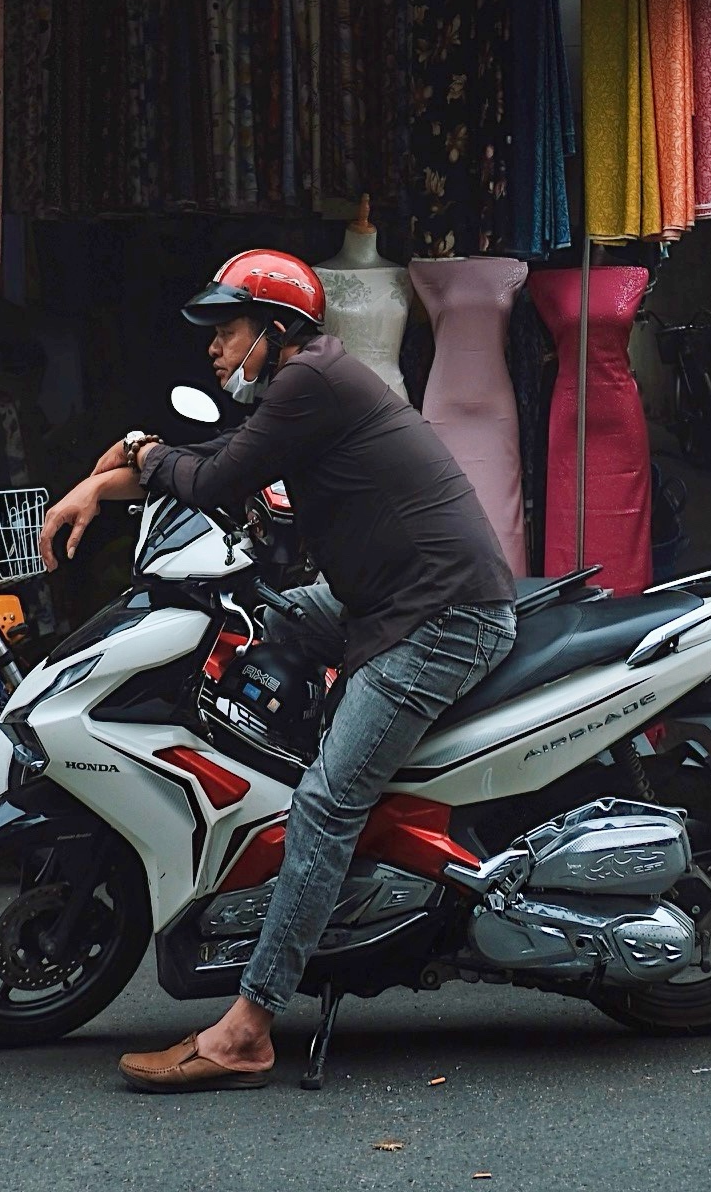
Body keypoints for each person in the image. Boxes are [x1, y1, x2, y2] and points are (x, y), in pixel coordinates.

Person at [38, 244, 517, 1092]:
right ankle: (273, 811)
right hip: (394, 602)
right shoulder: (310, 385)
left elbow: (217, 475)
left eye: (228, 332)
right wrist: (105, 481)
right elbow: (225, 455)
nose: (215, 349)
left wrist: (135, 456)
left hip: (442, 620)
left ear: (277, 330)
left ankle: (251, 1025)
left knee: (329, 803)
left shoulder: (311, 381)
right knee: (286, 612)